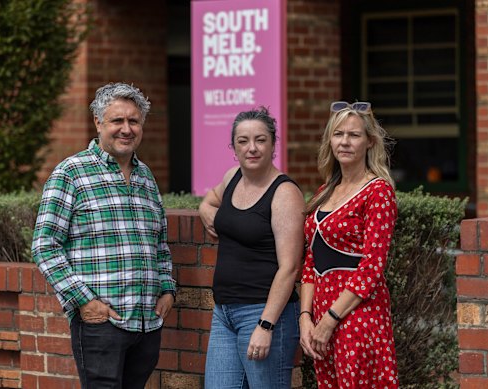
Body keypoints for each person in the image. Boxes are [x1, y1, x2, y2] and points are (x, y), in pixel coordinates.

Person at [32, 82, 176, 389]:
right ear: (98, 123)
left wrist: (167, 288)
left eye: (133, 121)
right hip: (101, 323)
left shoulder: (146, 177)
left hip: (146, 324)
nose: (126, 129)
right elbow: (45, 246)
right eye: (117, 121)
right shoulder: (71, 173)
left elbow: (160, 244)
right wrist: (83, 301)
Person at [198, 106, 305, 388]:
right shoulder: (232, 177)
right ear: (233, 147)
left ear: (273, 144)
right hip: (224, 313)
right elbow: (209, 200)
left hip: (263, 315)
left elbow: (290, 267)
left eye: (260, 140)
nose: (252, 148)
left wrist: (265, 325)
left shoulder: (284, 193)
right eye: (243, 141)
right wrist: (206, 210)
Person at [299, 101, 399, 388]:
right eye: (338, 134)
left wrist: (330, 319)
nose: (344, 141)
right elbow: (310, 262)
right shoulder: (324, 191)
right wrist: (306, 318)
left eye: (354, 135)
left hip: (357, 316)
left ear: (369, 142)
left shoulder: (378, 191)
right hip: (320, 316)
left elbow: (372, 267)